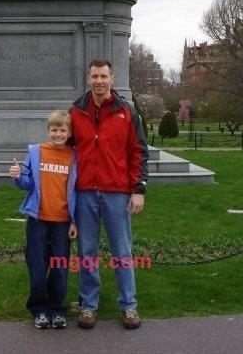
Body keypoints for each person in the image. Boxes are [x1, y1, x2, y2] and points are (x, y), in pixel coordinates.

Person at [69, 59, 149, 330]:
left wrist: (138, 189)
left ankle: (128, 305)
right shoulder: (75, 111)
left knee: (122, 251)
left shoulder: (126, 112)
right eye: (95, 76)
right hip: (85, 193)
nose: (99, 81)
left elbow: (138, 153)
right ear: (88, 78)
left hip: (117, 192)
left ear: (112, 79)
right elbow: (64, 149)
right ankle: (88, 305)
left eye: (104, 76)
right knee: (87, 251)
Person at [9, 110, 77, 329]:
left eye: (62, 130)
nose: (58, 134)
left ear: (69, 133)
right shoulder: (36, 152)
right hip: (38, 220)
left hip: (62, 222)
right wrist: (18, 176)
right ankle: (39, 309)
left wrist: (75, 221)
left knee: (59, 268)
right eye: (54, 130)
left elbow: (77, 191)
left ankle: (56, 309)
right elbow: (28, 182)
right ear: (48, 131)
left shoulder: (74, 156)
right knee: (37, 267)